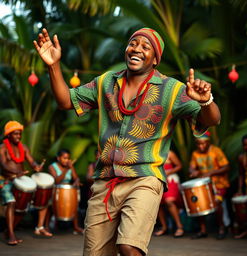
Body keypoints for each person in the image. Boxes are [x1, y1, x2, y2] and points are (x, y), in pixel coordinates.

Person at [34, 27, 221, 256]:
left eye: (145, 46)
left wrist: (206, 102)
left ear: (155, 59)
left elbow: (211, 120)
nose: (137, 49)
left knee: (129, 246)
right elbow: (66, 101)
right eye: (134, 43)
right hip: (105, 182)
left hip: (145, 178)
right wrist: (53, 65)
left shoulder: (172, 90)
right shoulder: (105, 82)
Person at [0, 121, 43, 245]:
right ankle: (11, 235)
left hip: (20, 180)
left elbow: (31, 161)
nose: (18, 136)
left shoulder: (23, 147)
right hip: (6, 180)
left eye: (20, 134)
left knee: (22, 208)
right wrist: (15, 172)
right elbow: (3, 165)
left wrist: (36, 166)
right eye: (15, 134)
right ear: (8, 135)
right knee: (11, 202)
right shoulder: (2, 148)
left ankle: (8, 231)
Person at [189, 131, 230, 239]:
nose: (201, 146)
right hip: (204, 186)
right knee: (198, 202)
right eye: (198, 144)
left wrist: (211, 173)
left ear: (208, 142)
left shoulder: (216, 151)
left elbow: (226, 167)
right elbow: (191, 167)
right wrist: (193, 171)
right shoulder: (195, 154)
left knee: (217, 201)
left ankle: (222, 228)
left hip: (219, 184)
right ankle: (203, 230)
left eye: (203, 143)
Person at [48, 149, 83, 234]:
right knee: (50, 205)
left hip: (68, 190)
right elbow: (57, 181)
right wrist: (66, 169)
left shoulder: (70, 166)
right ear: (58, 158)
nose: (67, 160)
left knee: (75, 204)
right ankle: (46, 226)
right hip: (56, 189)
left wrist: (76, 181)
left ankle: (76, 227)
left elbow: (76, 178)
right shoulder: (52, 167)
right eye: (64, 158)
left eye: (68, 158)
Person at [154, 150, 184, 237]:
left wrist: (169, 172)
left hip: (170, 180)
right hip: (157, 181)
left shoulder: (170, 153)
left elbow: (179, 166)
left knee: (169, 201)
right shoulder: (150, 152)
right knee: (157, 203)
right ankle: (164, 228)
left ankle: (179, 227)